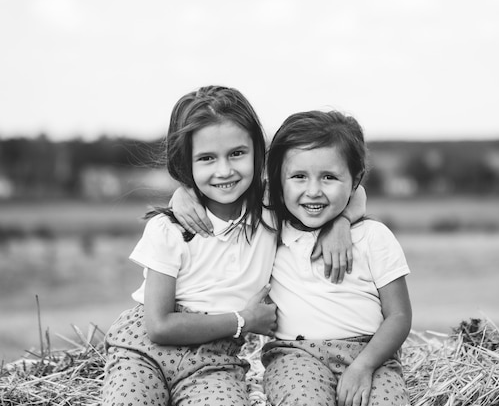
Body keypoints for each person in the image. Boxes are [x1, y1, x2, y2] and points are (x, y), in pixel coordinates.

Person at [102, 86, 362, 406]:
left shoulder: (271, 207)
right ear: (187, 163)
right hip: (143, 353)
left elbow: (353, 189)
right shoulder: (170, 229)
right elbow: (158, 326)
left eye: (237, 153)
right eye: (207, 158)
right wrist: (244, 321)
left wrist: (342, 222)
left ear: (257, 151)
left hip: (215, 361)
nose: (224, 170)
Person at [261, 110, 412, 406]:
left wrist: (364, 366)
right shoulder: (269, 229)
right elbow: (220, 196)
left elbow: (399, 315)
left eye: (329, 177)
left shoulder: (373, 237)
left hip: (370, 356)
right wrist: (184, 195)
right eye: (299, 177)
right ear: (279, 180)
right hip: (295, 355)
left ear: (355, 181)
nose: (313, 191)